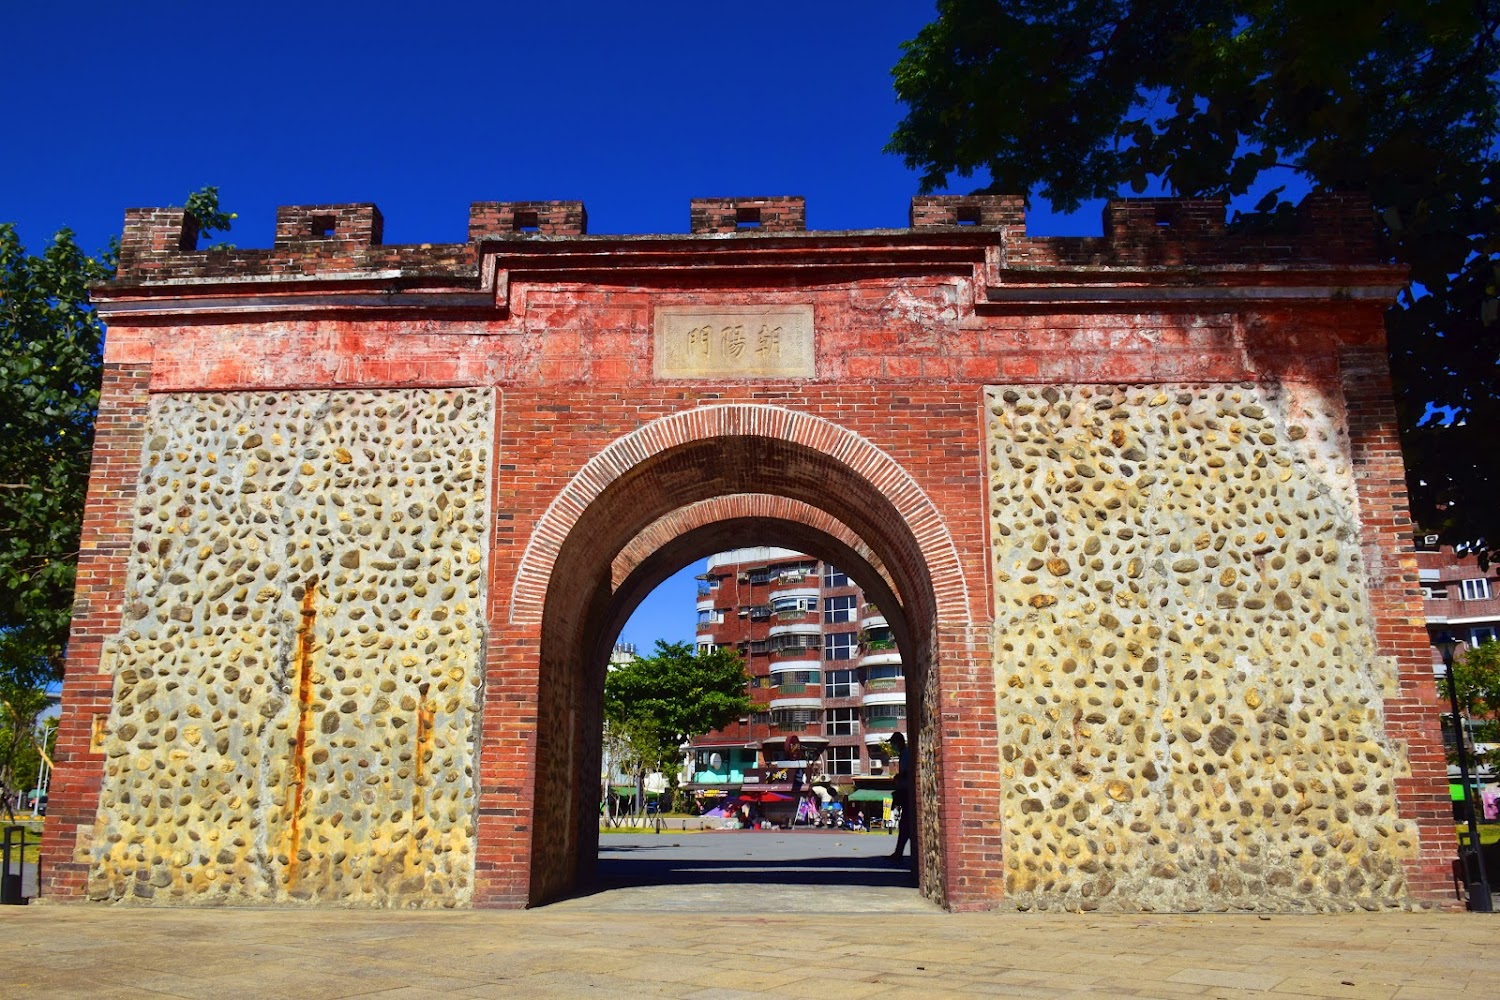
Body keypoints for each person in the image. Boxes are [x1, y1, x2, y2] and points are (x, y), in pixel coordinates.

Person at [889, 732, 913, 864]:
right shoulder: (903, 755)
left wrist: (899, 777)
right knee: (905, 825)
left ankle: (898, 853)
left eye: (893, 743)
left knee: (905, 825)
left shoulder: (907, 754)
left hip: (907, 792)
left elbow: (909, 771)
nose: (892, 746)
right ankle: (898, 852)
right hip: (904, 791)